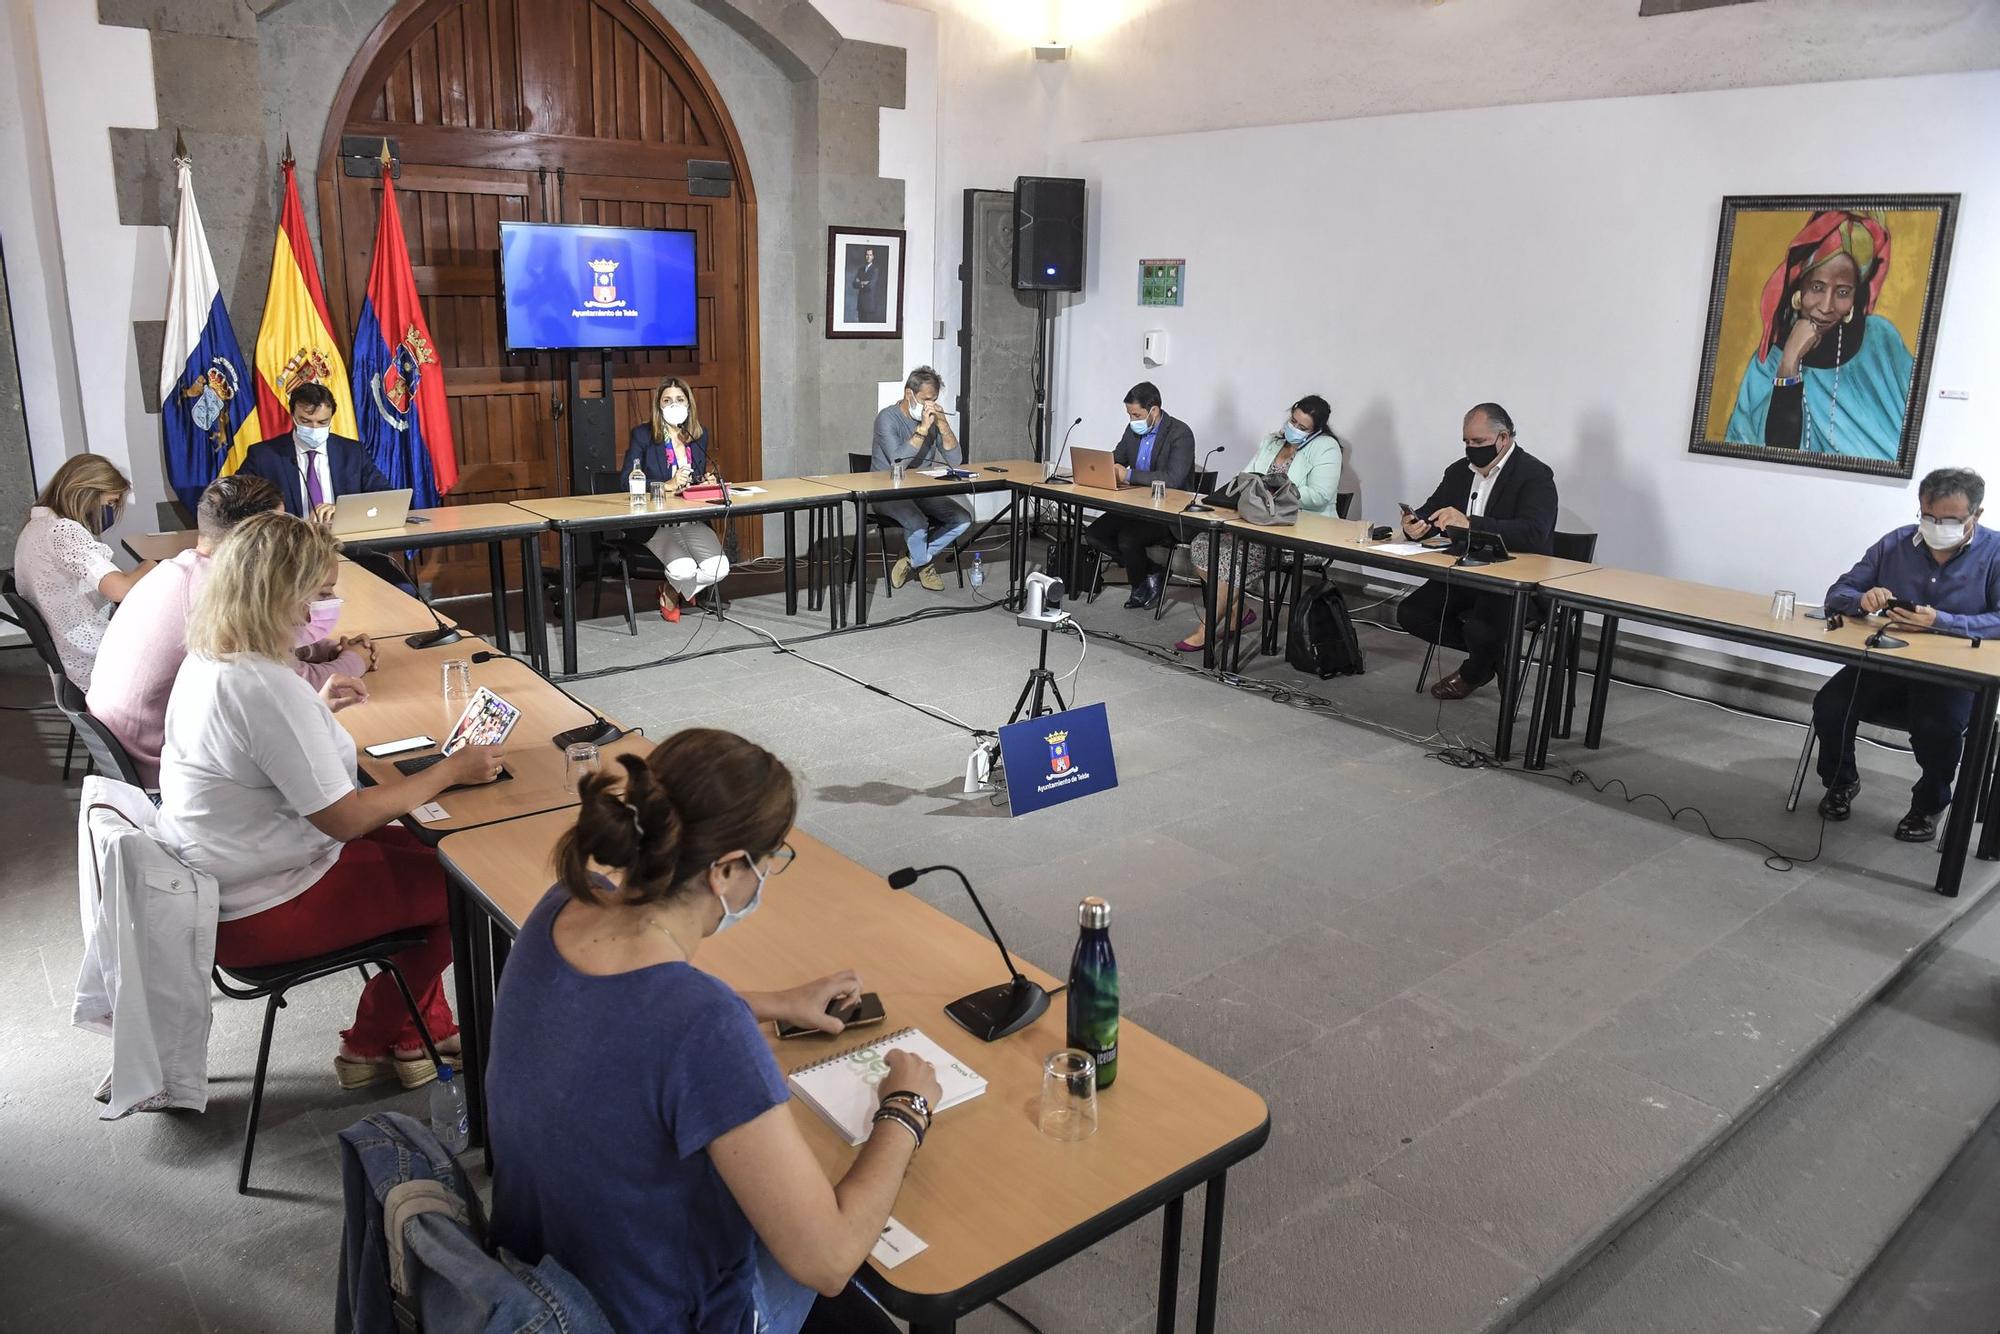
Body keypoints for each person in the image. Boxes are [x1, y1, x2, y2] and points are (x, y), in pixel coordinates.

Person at [486, 729, 941, 1334]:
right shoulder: (701, 1024)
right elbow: (828, 1260)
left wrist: (775, 1002)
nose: (769, 876)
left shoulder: (565, 904)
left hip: (545, 1279)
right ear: (726, 871)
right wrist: (906, 1109)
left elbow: (623, 1015)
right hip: (648, 1315)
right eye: (772, 858)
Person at [155, 511, 504, 1088]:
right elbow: (345, 818)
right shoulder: (261, 686)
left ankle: (411, 1034)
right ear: (279, 594)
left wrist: (317, 708)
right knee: (466, 885)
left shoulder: (215, 658)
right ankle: (374, 1042)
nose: (325, 608)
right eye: (319, 594)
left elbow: (260, 758)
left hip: (234, 880)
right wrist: (449, 770)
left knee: (442, 859)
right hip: (265, 908)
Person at [88, 474, 375, 786]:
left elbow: (265, 659)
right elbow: (287, 685)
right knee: (346, 766)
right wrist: (354, 660)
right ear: (254, 538)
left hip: (135, 746)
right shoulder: (217, 593)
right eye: (278, 530)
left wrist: (322, 649)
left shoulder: (185, 568)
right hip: (161, 768)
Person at [1813, 467, 2000, 842]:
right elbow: (1837, 592)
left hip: (1953, 672)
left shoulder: (1994, 554)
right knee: (1830, 705)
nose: (1936, 526)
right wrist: (1861, 600)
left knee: (1938, 727)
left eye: (1949, 520)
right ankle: (1841, 781)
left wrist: (1941, 621)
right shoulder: (1895, 544)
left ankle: (1929, 804)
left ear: (1975, 516)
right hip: (1886, 662)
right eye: (1928, 517)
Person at [1395, 403, 1558, 699]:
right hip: (1465, 572)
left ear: (1503, 438)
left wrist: (1470, 523)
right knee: (1411, 613)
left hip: (1514, 582)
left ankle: (1475, 670)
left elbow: (1534, 533)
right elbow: (1432, 512)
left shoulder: (1534, 475)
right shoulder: (1459, 471)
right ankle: (1491, 660)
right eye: (1467, 442)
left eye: (1479, 442)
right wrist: (1414, 525)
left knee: (1482, 628)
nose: (1472, 448)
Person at [1724, 210, 1915, 463]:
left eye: (1843, 292)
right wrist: (1789, 364)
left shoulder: (1881, 340)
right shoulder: (1767, 362)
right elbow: (1767, 457)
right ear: (1799, 287)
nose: (1826, 306)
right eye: (1817, 287)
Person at [1177, 395, 1345, 652]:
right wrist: (1253, 489)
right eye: (1293, 421)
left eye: (1302, 427)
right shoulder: (1272, 442)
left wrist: (1279, 493)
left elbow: (1320, 494)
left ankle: (1207, 630)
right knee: (1203, 543)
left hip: (1302, 533)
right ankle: (1238, 611)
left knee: (1235, 555)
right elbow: (1247, 476)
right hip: (1257, 524)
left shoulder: (1326, 447)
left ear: (1316, 430)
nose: (1294, 428)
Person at [236, 382, 409, 587]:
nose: (314, 428)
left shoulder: (352, 452)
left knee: (402, 588)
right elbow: (239, 504)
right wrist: (293, 524)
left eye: (321, 422)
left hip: (349, 550)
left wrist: (342, 510)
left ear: (331, 419)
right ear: (293, 416)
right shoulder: (265, 455)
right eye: (306, 421)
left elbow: (385, 498)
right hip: (291, 555)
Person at [11, 453, 154, 689]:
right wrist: (151, 564)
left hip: (70, 651)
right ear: (86, 493)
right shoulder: (63, 532)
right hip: (94, 655)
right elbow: (120, 590)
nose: (108, 512)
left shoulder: (34, 527)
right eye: (109, 504)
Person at [622, 375, 731, 622]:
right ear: (659, 406)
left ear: (689, 404)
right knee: (683, 571)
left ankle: (670, 589)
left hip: (692, 520)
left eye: (680, 399)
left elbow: (695, 478)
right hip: (658, 525)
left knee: (719, 569)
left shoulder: (698, 435)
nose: (674, 405)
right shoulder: (643, 435)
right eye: (667, 400)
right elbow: (626, 481)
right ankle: (676, 585)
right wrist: (667, 485)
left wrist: (704, 483)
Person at [1082, 382, 1197, 610]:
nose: (1132, 420)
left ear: (1154, 410)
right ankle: (1153, 571)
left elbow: (1173, 479)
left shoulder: (1180, 433)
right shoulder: (1133, 430)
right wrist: (1103, 468)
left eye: (1136, 414)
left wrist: (1129, 474)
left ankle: (1139, 586)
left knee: (1127, 538)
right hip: (1134, 506)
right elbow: (1117, 458)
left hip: (1169, 513)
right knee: (1094, 534)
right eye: (1129, 415)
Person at [871, 366, 970, 592]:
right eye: (926, 399)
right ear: (909, 394)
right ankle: (925, 564)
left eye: (934, 399)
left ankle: (914, 559)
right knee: (917, 521)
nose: (930, 405)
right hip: (887, 492)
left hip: (922, 491)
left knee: (962, 518)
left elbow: (956, 459)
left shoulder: (935, 420)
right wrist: (923, 429)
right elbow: (898, 463)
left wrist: (943, 426)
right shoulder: (887, 419)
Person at [850, 246, 884, 324]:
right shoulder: (861, 269)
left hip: (869, 306)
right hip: (860, 305)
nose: (868, 257)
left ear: (873, 256)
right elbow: (854, 284)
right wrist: (863, 283)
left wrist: (860, 282)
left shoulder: (875, 269)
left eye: (870, 255)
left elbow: (870, 286)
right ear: (865, 256)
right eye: (867, 255)